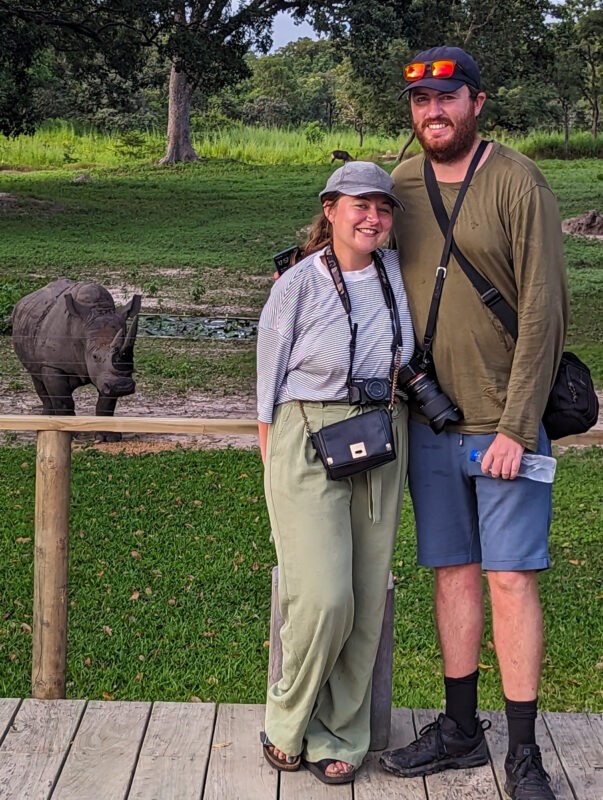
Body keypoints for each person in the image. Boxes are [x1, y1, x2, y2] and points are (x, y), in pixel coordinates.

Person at [378, 47, 568, 800]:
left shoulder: (518, 183)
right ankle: (460, 730)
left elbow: (544, 313)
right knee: (452, 577)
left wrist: (516, 429)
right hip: (430, 424)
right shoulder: (396, 187)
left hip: (502, 428)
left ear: (477, 102)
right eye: (421, 103)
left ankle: (523, 752)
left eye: (447, 99)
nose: (434, 113)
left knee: (510, 580)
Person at [256, 161, 415, 784]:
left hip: (382, 431)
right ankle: (287, 718)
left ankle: (342, 733)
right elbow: (266, 381)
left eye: (382, 206)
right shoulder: (296, 282)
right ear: (331, 210)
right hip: (308, 434)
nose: (371, 216)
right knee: (324, 596)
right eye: (359, 205)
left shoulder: (397, 273)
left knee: (368, 596)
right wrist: (274, 459)